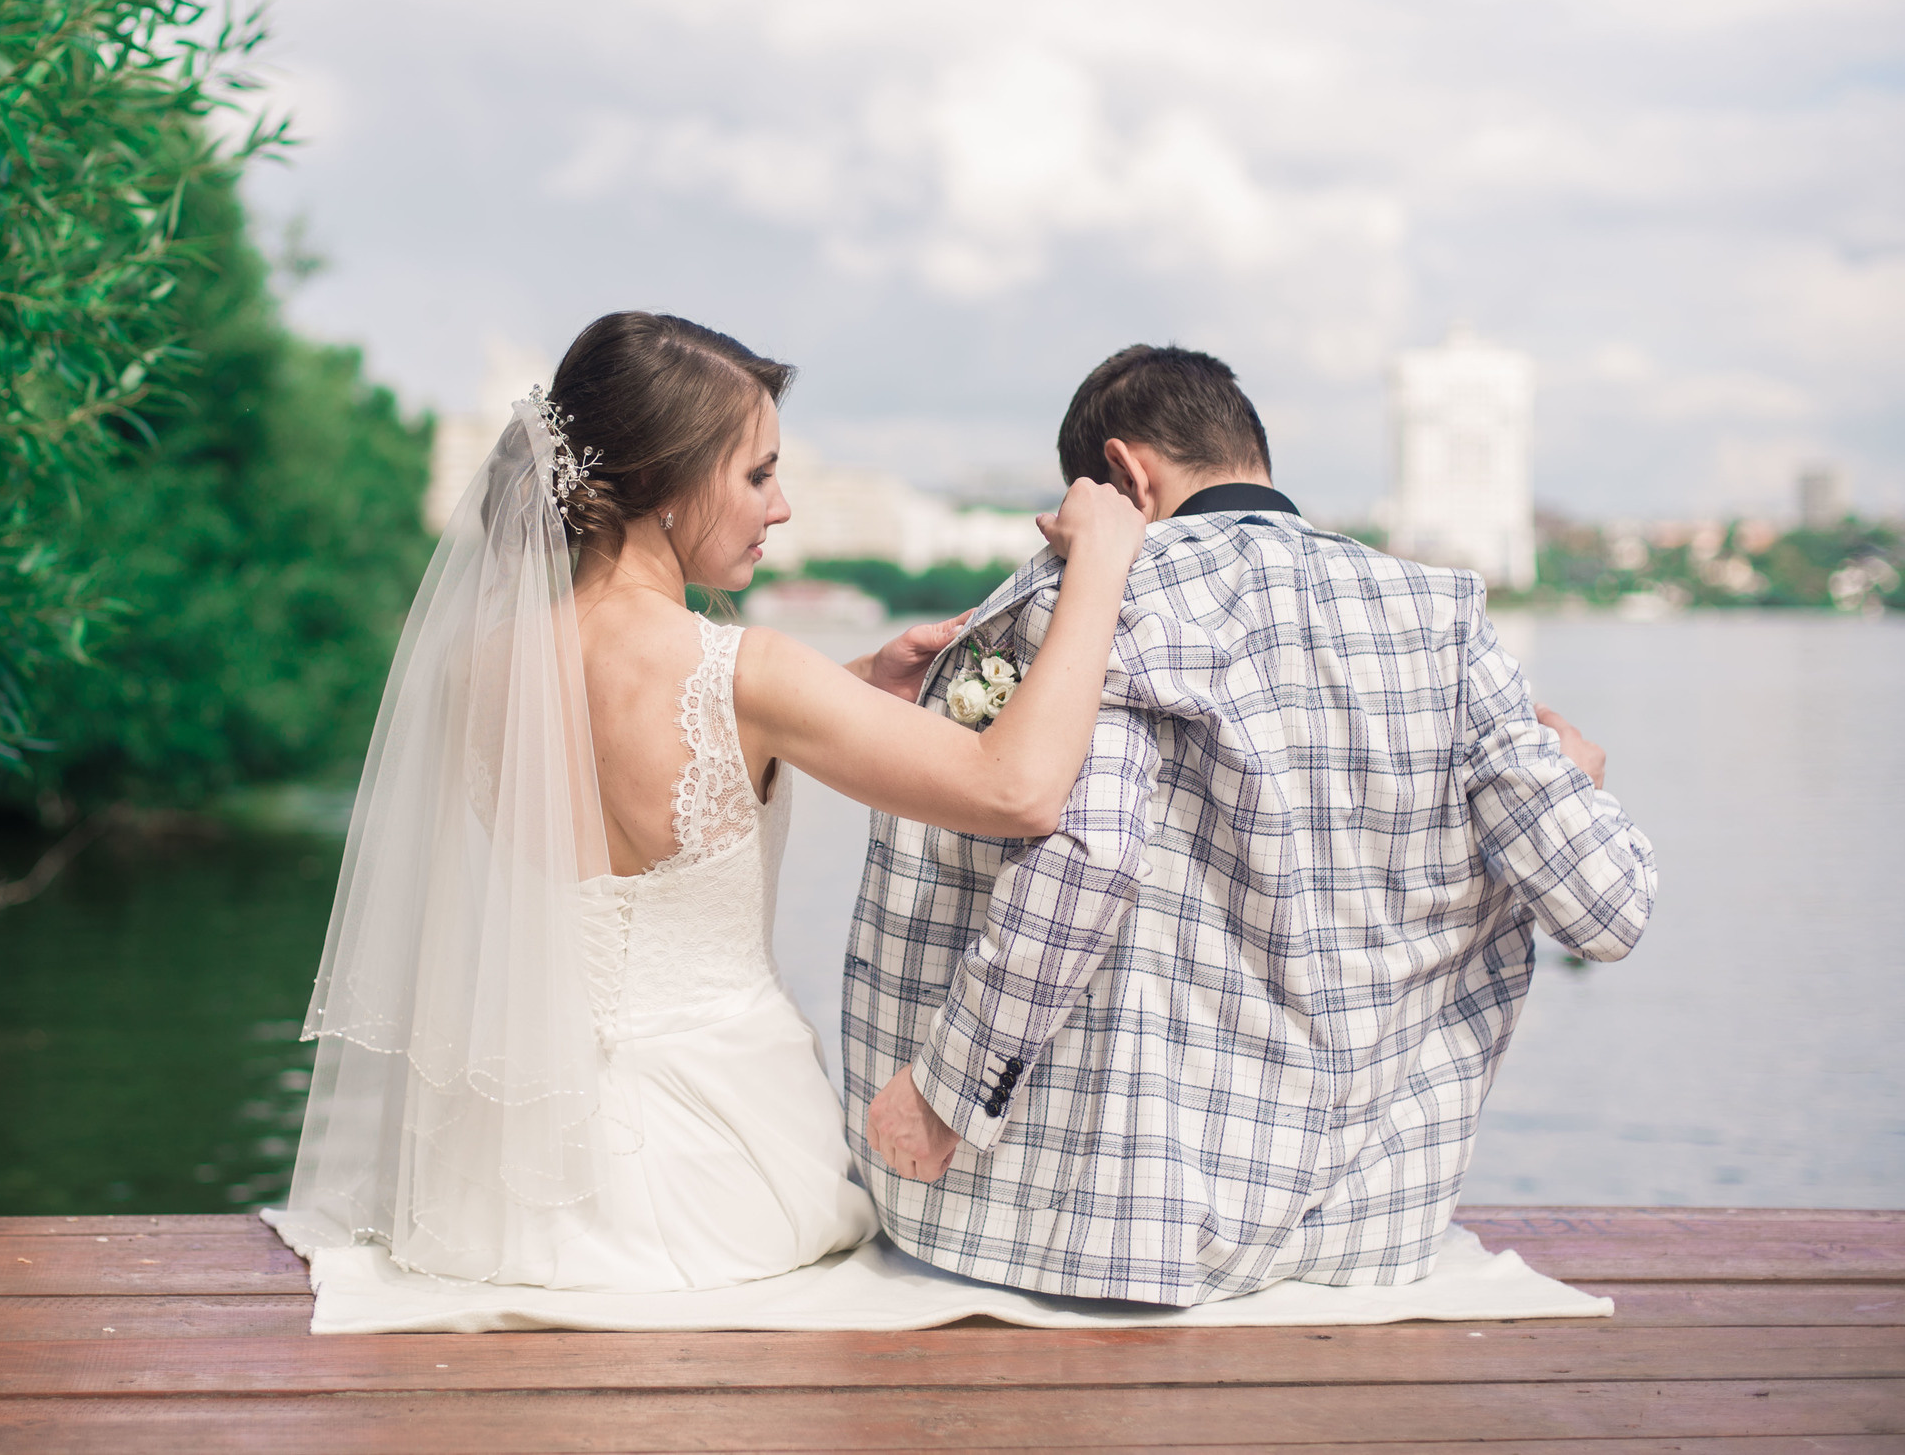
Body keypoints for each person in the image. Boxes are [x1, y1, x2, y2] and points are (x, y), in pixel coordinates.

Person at [276, 311, 1148, 1290]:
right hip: (717, 1169)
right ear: (670, 484)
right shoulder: (751, 675)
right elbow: (1017, 787)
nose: (779, 509)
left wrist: (845, 682)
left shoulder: (478, 667)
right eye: (758, 473)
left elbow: (610, 753)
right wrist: (1103, 562)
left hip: (503, 1173)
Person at [845, 344, 1658, 1306]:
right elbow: (1608, 909)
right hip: (1369, 1233)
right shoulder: (1442, 614)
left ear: (1123, 476)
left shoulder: (1103, 595)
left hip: (1115, 1230)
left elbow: (1089, 847)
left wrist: (949, 1087)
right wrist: (1571, 776)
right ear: (1250, 452)